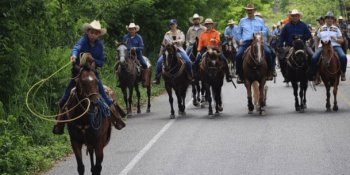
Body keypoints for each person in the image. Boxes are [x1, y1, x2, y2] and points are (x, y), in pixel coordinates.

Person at [53, 20, 121, 134]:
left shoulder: (99, 45)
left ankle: (116, 118)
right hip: (78, 73)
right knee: (65, 98)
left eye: (96, 33)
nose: (93, 34)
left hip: (93, 73)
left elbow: (101, 61)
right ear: (88, 31)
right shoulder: (83, 40)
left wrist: (94, 60)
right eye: (92, 32)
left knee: (104, 96)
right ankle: (60, 124)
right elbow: (76, 48)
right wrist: (74, 56)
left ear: (99, 34)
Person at [235, 4, 276, 84]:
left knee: (269, 52)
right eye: (248, 10)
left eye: (251, 10)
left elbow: (264, 30)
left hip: (258, 41)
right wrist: (240, 39)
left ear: (254, 11)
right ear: (246, 11)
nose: (250, 11)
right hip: (246, 41)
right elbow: (238, 32)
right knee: (238, 55)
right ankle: (239, 74)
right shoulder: (242, 21)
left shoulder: (260, 20)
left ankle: (271, 71)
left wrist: (259, 33)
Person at [310, 11, 347, 81]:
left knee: (343, 57)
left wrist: (336, 39)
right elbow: (317, 39)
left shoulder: (336, 29)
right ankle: (315, 75)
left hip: (335, 46)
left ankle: (342, 72)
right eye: (328, 18)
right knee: (314, 58)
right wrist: (317, 47)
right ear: (325, 19)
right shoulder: (321, 28)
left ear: (333, 20)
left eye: (331, 18)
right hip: (323, 46)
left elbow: (342, 40)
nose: (329, 19)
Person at [153, 19, 192, 84]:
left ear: (176, 25)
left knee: (188, 61)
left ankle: (190, 76)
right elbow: (163, 44)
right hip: (169, 51)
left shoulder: (180, 32)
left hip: (179, 50)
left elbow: (182, 40)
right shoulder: (167, 34)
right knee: (159, 62)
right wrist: (161, 53)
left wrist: (175, 41)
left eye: (173, 24)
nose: (172, 26)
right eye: (171, 24)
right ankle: (157, 78)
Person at [279, 9, 313, 74]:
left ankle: (310, 73)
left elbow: (308, 34)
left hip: (302, 45)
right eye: (293, 16)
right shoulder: (287, 26)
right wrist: (280, 45)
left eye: (296, 16)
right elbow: (282, 36)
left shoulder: (303, 25)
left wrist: (302, 38)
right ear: (291, 17)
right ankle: (285, 73)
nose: (295, 17)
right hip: (290, 45)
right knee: (281, 57)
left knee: (312, 55)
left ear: (299, 16)